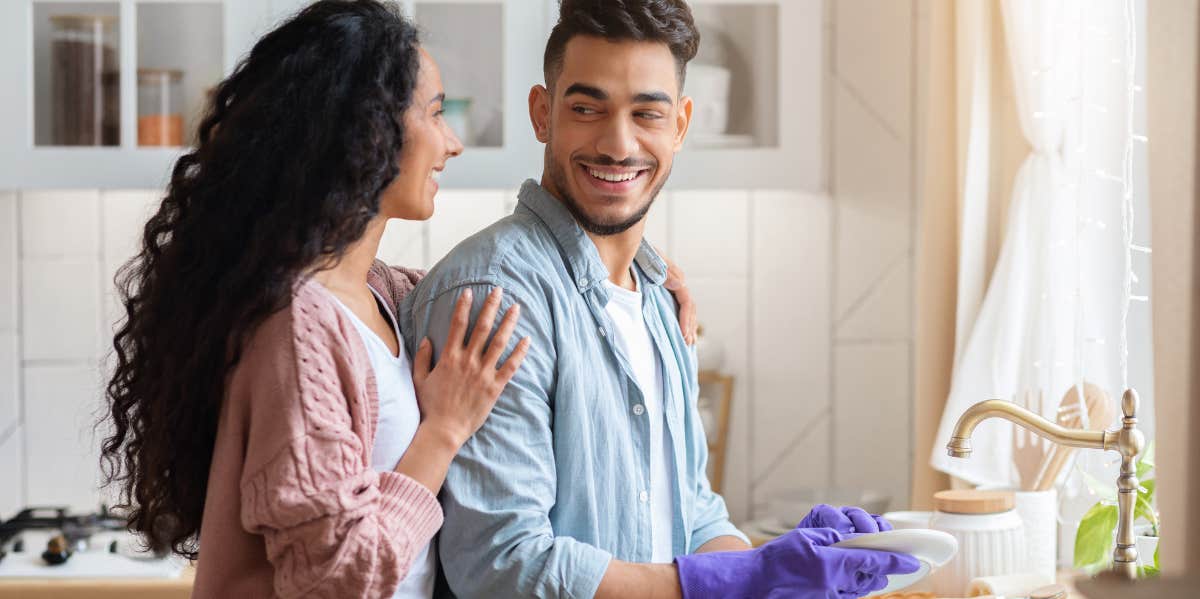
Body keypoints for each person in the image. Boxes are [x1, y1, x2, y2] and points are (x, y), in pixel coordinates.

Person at [95, 2, 701, 598]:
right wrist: (443, 430)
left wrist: (641, 272)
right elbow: (332, 578)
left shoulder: (377, 293)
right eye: (435, 114)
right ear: (365, 131)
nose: (452, 142)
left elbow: (505, 279)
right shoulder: (297, 327)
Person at [402, 0, 920, 597]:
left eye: (647, 113)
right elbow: (504, 568)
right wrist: (735, 579)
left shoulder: (659, 299)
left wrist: (768, 570)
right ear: (542, 114)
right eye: (587, 108)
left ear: (680, 124)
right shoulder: (499, 298)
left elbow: (696, 516)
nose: (618, 145)